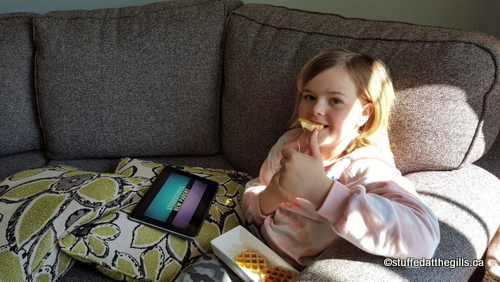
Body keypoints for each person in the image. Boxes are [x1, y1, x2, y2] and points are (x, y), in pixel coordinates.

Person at [242, 48, 440, 269]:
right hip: (252, 247)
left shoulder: (366, 165)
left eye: (335, 101)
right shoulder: (289, 143)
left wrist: (321, 191)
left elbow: (424, 239)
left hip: (294, 272)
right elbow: (253, 197)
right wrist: (274, 193)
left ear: (365, 113)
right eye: (309, 97)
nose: (316, 109)